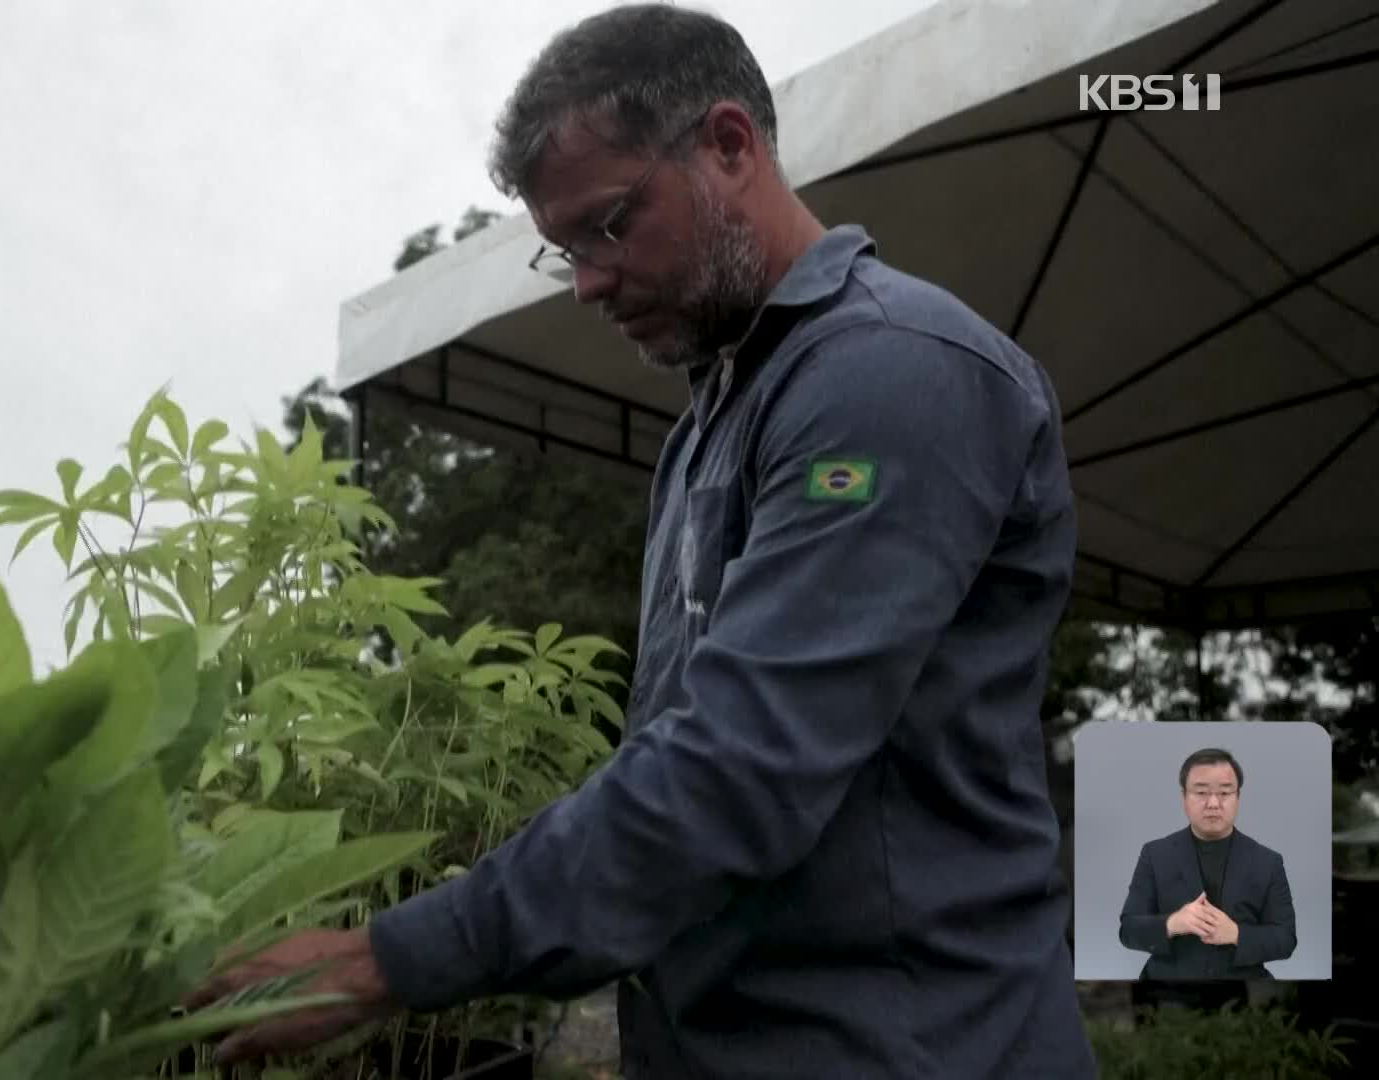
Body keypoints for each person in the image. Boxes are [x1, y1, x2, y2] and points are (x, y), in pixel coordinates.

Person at [191, 5, 1096, 1075]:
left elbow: (736, 771)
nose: (586, 281)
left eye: (609, 224)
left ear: (729, 145)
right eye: (562, 250)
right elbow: (673, 751)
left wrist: (389, 958)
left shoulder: (891, 374)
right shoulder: (707, 431)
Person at [1117, 747, 1297, 1011]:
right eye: (1201, 792)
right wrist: (1173, 923)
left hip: (1239, 997)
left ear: (1238, 797)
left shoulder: (1268, 861)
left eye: (1225, 792)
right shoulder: (1155, 854)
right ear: (1184, 797)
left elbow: (1285, 939)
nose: (1213, 803)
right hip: (1165, 994)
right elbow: (1128, 931)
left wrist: (1236, 934)